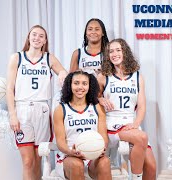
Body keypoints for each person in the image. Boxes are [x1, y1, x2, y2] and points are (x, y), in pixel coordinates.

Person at [6, 25, 67, 180]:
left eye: (41, 36)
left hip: (42, 110)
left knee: (38, 159)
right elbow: (9, 89)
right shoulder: (17, 58)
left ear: (45, 40)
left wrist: (62, 74)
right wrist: (12, 115)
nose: (37, 38)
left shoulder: (49, 58)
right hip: (22, 109)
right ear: (28, 37)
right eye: (34, 35)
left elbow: (63, 72)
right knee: (27, 161)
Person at [97, 39, 156, 180]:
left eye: (118, 50)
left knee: (151, 166)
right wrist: (99, 99)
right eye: (111, 51)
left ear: (125, 52)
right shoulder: (103, 76)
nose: (114, 54)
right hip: (112, 124)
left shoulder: (137, 77)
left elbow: (141, 105)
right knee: (142, 137)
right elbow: (92, 100)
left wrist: (136, 123)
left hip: (131, 123)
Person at [53, 71, 112, 180]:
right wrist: (71, 151)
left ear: (90, 86)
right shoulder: (61, 109)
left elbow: (104, 137)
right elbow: (60, 142)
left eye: (84, 83)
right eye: (76, 83)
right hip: (69, 156)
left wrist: (101, 148)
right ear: (70, 85)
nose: (80, 87)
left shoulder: (97, 108)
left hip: (92, 156)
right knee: (77, 165)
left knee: (104, 162)